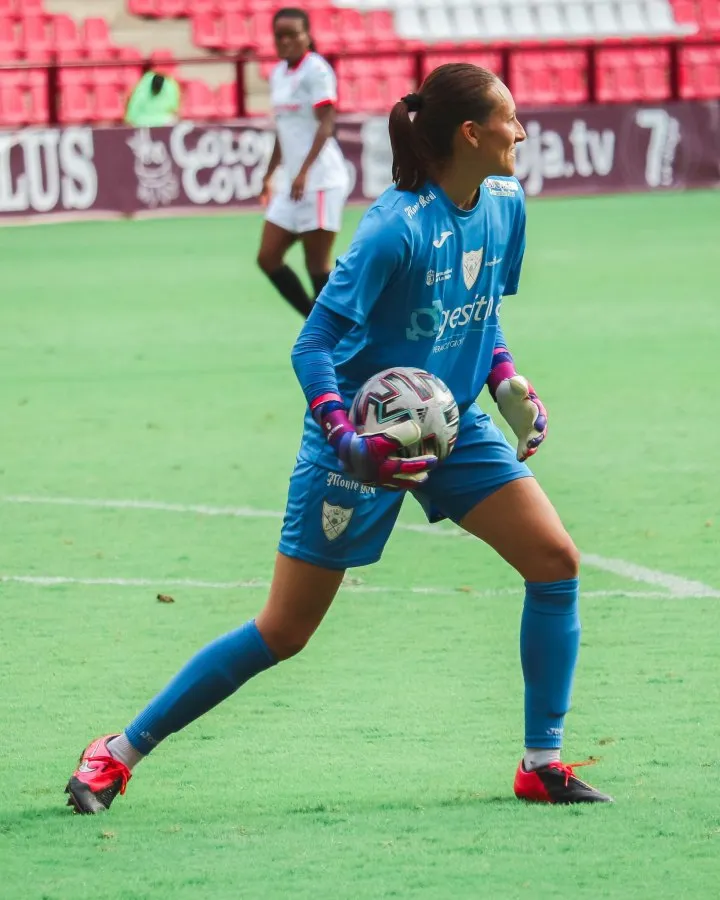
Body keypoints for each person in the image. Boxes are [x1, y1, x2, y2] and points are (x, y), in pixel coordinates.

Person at [65, 63, 612, 814]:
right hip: (360, 443)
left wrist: (509, 382)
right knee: (285, 630)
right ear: (470, 133)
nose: (521, 131)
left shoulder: (507, 205)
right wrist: (347, 438)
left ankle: (540, 763)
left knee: (555, 561)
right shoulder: (395, 226)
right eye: (510, 119)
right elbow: (311, 344)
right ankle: (115, 753)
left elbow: (478, 313)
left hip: (450, 423)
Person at [257, 8, 350, 318]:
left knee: (317, 265)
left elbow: (326, 124)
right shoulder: (278, 74)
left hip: (321, 180)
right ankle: (317, 325)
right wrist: (271, 173)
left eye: (292, 34)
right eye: (279, 36)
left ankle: (334, 337)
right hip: (294, 183)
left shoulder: (317, 71)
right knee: (267, 257)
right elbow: (284, 132)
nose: (285, 41)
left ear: (308, 35)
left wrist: (304, 172)